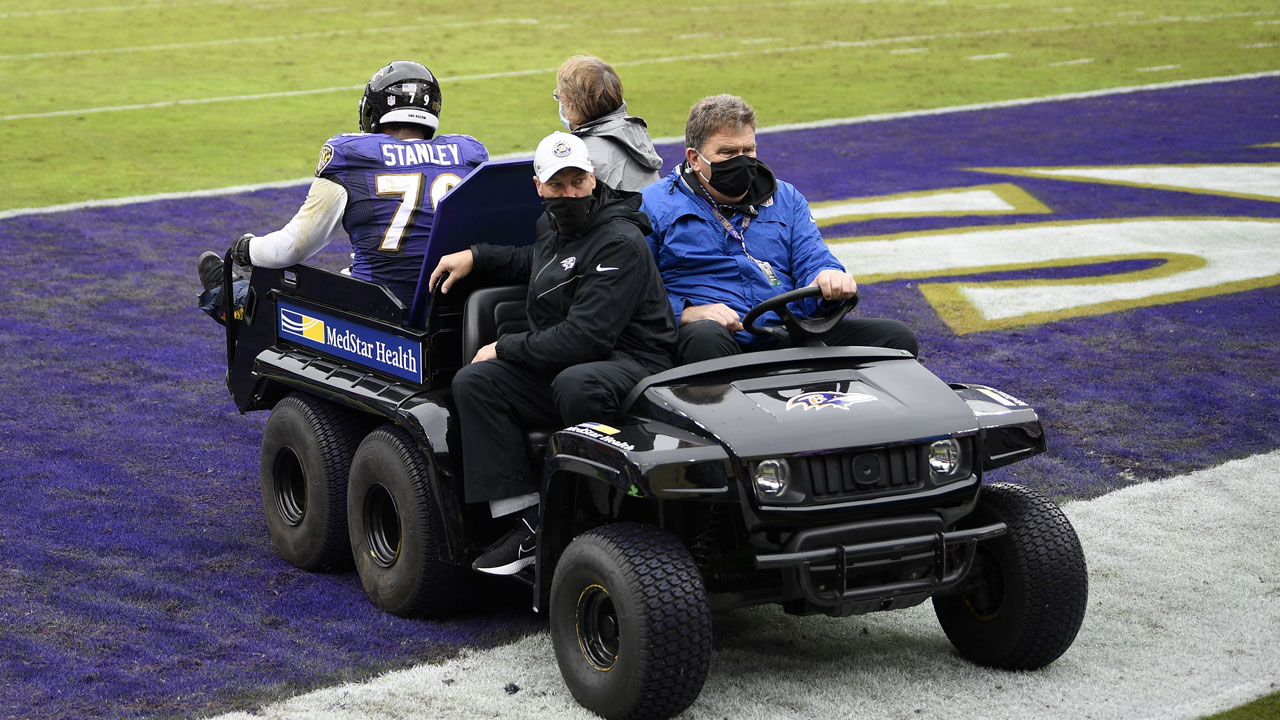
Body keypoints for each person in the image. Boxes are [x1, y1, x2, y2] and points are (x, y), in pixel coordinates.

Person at [427, 132, 677, 575]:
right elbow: (539, 262)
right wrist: (476, 255)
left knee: (576, 381)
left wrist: (504, 346)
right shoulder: (552, 226)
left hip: (635, 365)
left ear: (593, 180)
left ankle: (599, 517)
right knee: (475, 383)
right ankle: (526, 522)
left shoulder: (620, 241)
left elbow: (586, 339)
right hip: (572, 363)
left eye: (577, 182)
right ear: (539, 186)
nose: (568, 194)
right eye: (557, 185)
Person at [196, 60, 488, 319]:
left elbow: (291, 248)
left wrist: (247, 248)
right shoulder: (468, 154)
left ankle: (229, 297)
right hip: (453, 306)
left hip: (378, 309)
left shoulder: (352, 155)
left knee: (277, 297)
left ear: (374, 109)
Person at [640, 94, 918, 364]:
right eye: (727, 152)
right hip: (720, 336)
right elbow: (636, 291)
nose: (742, 160)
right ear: (695, 158)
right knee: (703, 338)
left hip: (788, 329)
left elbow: (813, 257)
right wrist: (686, 313)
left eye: (748, 150)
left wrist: (828, 275)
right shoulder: (652, 205)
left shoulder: (787, 197)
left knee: (896, 339)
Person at [554, 54, 662, 193]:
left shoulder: (582, 154)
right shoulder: (634, 133)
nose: (560, 103)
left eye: (560, 96)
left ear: (573, 104)